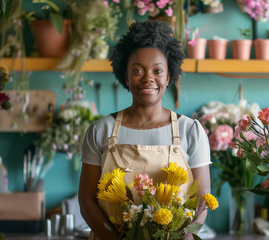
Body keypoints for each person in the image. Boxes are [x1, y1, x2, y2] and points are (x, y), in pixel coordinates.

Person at [78, 20, 212, 240]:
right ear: (127, 77)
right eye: (138, 70)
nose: (148, 78)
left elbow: (202, 201)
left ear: (168, 77)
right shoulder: (101, 130)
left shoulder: (191, 131)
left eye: (157, 71)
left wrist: (182, 237)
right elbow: (86, 201)